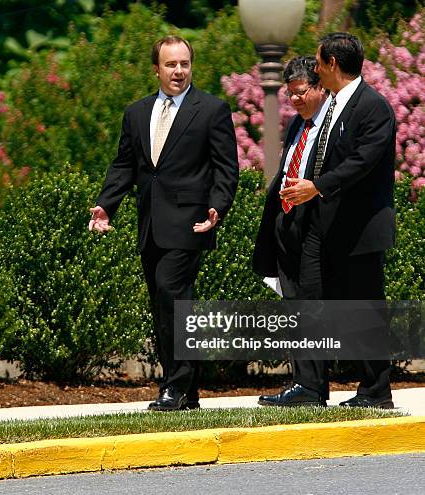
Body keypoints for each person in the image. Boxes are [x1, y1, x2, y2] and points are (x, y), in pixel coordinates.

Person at [89, 35, 239, 411]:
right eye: (171, 64)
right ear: (156, 68)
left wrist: (217, 208)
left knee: (173, 296)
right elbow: (125, 165)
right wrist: (107, 206)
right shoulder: (137, 113)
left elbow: (226, 168)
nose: (179, 71)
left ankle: (173, 386)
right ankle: (186, 391)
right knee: (163, 305)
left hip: (191, 223)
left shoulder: (211, 109)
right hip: (151, 225)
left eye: (185, 64)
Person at [262, 33, 397, 409]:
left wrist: (315, 187)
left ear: (333, 64)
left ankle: (375, 390)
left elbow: (362, 161)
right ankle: (310, 387)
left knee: (364, 309)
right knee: (314, 305)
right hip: (325, 228)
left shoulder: (373, 106)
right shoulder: (336, 106)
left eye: (319, 64)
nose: (317, 70)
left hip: (361, 230)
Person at [254, 56, 330, 407]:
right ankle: (304, 384)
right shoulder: (297, 127)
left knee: (311, 309)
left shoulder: (331, 126)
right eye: (291, 94)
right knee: (295, 306)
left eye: (301, 92)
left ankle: (313, 387)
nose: (296, 100)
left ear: (319, 88)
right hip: (287, 224)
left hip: (315, 226)